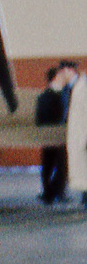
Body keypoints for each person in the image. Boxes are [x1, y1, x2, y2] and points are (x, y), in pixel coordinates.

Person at [36, 61, 77, 204]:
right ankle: (53, 192)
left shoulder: (45, 95)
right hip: (57, 133)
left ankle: (50, 192)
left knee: (50, 165)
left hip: (50, 134)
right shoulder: (59, 94)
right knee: (60, 165)